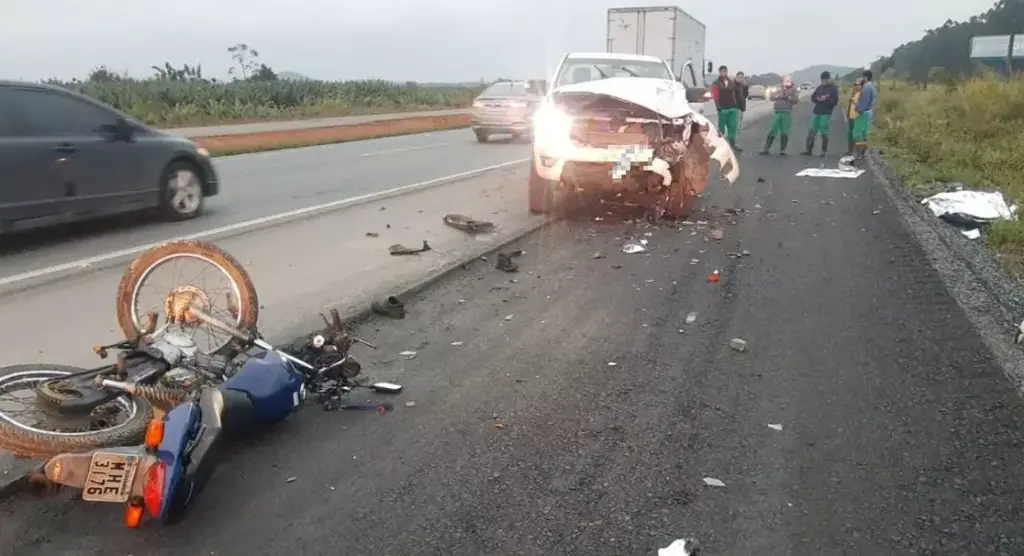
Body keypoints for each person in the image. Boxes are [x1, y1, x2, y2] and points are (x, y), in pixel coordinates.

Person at [759, 75, 800, 155]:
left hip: (786, 112)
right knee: (772, 131)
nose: (787, 81)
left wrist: (789, 98)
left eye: (789, 80)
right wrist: (778, 96)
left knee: (784, 132)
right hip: (777, 112)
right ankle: (766, 149)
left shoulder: (793, 89)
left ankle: (782, 150)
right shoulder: (778, 87)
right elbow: (771, 97)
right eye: (785, 80)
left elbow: (796, 100)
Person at [802, 71, 839, 156]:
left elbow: (835, 101)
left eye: (825, 79)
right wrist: (817, 99)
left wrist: (826, 99)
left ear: (829, 79)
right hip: (816, 111)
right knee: (812, 130)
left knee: (823, 131)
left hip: (826, 113)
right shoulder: (820, 88)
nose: (824, 81)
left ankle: (823, 151)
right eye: (822, 80)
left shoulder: (833, 89)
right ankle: (808, 149)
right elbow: (813, 97)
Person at [710, 65, 743, 152]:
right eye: (722, 71)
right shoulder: (716, 83)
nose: (723, 73)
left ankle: (732, 144)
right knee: (721, 128)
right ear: (719, 72)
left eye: (725, 71)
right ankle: (719, 146)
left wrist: (737, 105)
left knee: (732, 127)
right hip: (722, 108)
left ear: (727, 72)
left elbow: (737, 92)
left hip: (732, 107)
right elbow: (715, 96)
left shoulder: (731, 82)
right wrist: (718, 107)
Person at [851, 69, 876, 159]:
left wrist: (858, 109)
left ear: (865, 77)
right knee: (864, 133)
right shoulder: (872, 86)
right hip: (869, 112)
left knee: (858, 133)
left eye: (862, 77)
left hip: (863, 112)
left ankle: (859, 153)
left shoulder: (866, 87)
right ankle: (863, 152)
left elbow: (864, 101)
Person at [845, 77, 863, 155]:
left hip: (857, 117)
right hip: (851, 116)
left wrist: (853, 100)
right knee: (850, 134)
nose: (856, 86)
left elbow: (861, 106)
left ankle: (858, 152)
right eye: (855, 85)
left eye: (858, 85)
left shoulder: (862, 93)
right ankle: (850, 151)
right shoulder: (854, 93)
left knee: (857, 134)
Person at [735, 71, 750, 137]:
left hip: (741, 107)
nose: (741, 78)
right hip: (735, 107)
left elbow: (746, 95)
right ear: (736, 77)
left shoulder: (742, 86)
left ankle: (735, 138)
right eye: (739, 77)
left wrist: (745, 86)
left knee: (739, 123)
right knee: (736, 124)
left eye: (742, 77)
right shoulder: (734, 85)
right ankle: (733, 139)